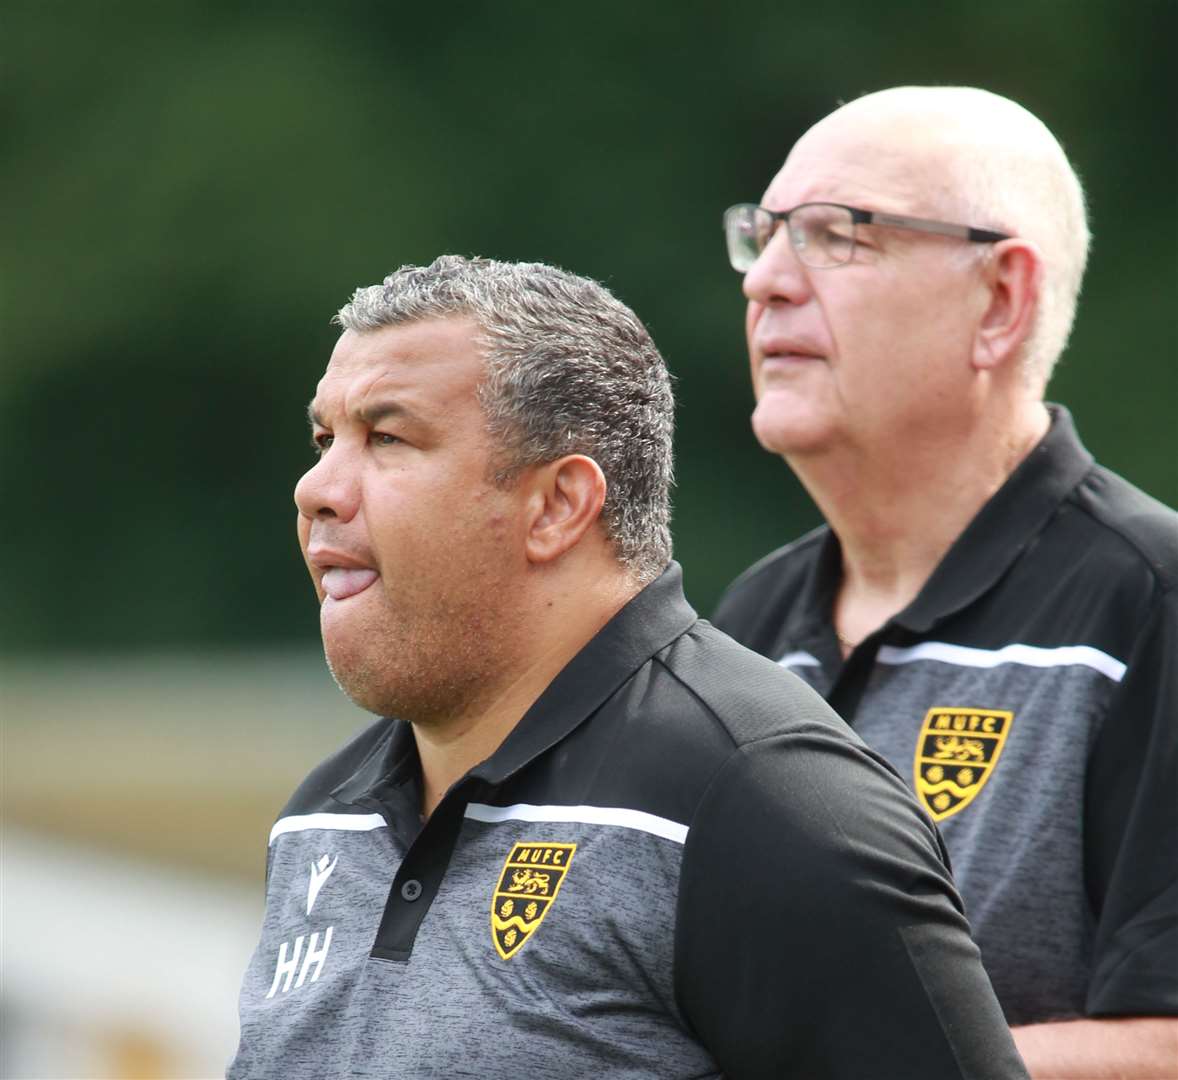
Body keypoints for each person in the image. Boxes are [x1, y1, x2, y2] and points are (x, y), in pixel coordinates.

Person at [229, 255, 1027, 1078]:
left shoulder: (770, 802)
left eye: (387, 436)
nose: (316, 488)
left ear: (558, 505)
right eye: (326, 439)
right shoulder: (321, 820)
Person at [712, 86, 1178, 1077]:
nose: (767, 284)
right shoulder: (744, 628)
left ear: (999, 302)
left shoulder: (1151, 606)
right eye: (763, 235)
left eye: (838, 236)